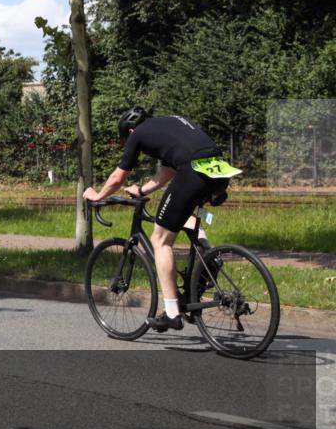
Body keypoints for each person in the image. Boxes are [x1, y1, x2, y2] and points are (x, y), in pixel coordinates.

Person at [83, 107, 240, 332]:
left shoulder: (137, 134)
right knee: (182, 217)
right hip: (218, 169)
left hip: (193, 171)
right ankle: (209, 256)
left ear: (130, 130)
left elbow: (118, 177)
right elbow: (167, 173)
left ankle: (172, 313)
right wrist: (142, 190)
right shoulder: (172, 122)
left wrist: (97, 196)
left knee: (161, 241)